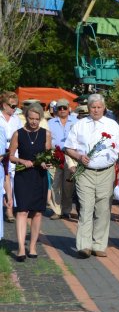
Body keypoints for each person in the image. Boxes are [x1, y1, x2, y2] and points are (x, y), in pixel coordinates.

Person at [64, 94, 119, 258]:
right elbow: (68, 148)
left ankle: (98, 244)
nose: (96, 110)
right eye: (93, 107)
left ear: (104, 108)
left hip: (106, 172)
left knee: (103, 209)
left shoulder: (112, 125)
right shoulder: (80, 125)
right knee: (85, 208)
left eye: (99, 107)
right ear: (88, 108)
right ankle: (84, 246)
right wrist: (78, 157)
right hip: (85, 172)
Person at [8, 103, 52, 261]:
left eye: (37, 119)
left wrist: (46, 163)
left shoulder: (46, 134)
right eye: (31, 118)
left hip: (39, 176)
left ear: (40, 119)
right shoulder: (18, 134)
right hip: (23, 176)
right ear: (26, 117)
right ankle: (20, 247)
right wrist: (21, 160)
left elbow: (49, 155)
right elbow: (11, 156)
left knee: (38, 212)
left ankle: (32, 246)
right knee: (22, 211)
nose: (33, 122)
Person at [47, 99, 77, 220]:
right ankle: (56, 210)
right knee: (55, 183)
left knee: (68, 184)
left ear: (69, 108)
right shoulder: (51, 122)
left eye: (64, 107)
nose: (62, 110)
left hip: (71, 155)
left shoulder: (76, 121)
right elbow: (47, 139)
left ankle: (66, 209)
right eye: (60, 108)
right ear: (56, 110)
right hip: (55, 154)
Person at [1, 91, 22, 222]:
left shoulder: (16, 119)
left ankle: (10, 209)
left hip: (13, 150)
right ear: (4, 105)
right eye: (12, 106)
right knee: (3, 178)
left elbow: (21, 135)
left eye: (16, 106)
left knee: (12, 179)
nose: (15, 108)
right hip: (1, 149)